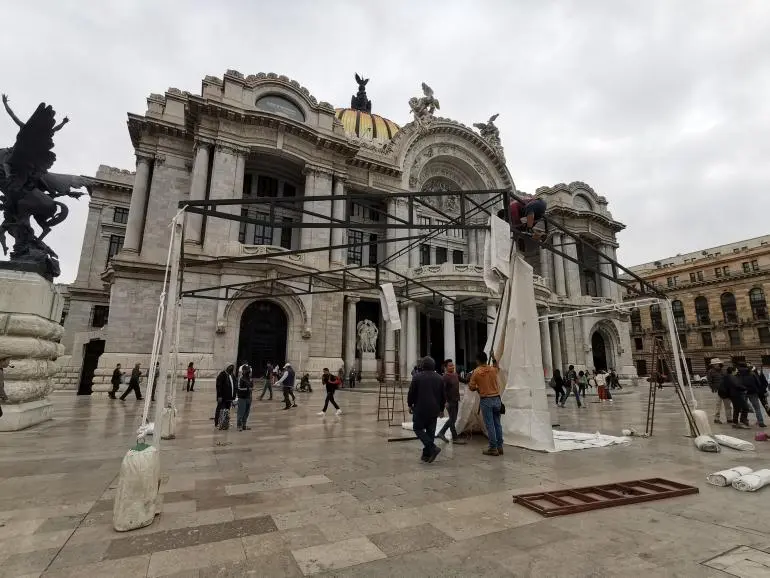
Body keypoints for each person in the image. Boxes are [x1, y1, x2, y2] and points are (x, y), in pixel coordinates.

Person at [407, 356, 445, 463]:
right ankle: (426, 455)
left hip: (420, 408)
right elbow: (443, 396)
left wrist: (410, 404)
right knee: (430, 432)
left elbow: (411, 393)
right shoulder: (439, 378)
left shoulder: (417, 377)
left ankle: (432, 448)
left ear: (423, 366)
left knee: (417, 428)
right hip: (434, 409)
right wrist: (441, 409)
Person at [469, 351, 504, 456]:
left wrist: (477, 388)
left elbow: (471, 387)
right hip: (497, 399)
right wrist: (493, 357)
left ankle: (493, 448)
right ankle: (500, 446)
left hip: (486, 400)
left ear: (478, 360)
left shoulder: (476, 372)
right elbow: (497, 366)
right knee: (497, 424)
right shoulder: (493, 370)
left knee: (490, 425)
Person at [436, 359, 465, 444]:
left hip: (456, 400)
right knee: (452, 419)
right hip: (450, 401)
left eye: (453, 365)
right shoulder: (445, 377)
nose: (452, 367)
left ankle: (443, 433)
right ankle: (451, 436)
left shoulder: (455, 374)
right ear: (445, 367)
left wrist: (471, 375)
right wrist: (445, 402)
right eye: (450, 366)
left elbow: (464, 380)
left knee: (453, 419)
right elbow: (443, 391)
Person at [708, 359, 729, 424]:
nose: (715, 365)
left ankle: (729, 418)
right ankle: (716, 418)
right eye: (714, 364)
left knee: (728, 405)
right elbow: (709, 381)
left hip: (725, 389)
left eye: (716, 364)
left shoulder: (723, 371)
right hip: (717, 390)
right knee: (718, 405)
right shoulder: (710, 371)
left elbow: (727, 379)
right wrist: (712, 388)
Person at [215, 364, 236, 428]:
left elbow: (234, 385)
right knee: (221, 410)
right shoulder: (222, 375)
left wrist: (234, 396)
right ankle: (218, 423)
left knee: (227, 410)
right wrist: (219, 396)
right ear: (226, 367)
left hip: (229, 397)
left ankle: (225, 423)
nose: (231, 368)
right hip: (222, 397)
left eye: (232, 367)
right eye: (230, 367)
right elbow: (219, 386)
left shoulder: (232, 375)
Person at [236, 364, 253, 431]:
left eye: (249, 370)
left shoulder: (250, 379)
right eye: (247, 370)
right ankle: (239, 425)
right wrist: (247, 389)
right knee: (241, 412)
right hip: (242, 398)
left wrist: (250, 389)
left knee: (247, 412)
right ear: (243, 371)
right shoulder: (241, 379)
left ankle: (244, 425)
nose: (248, 371)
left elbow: (251, 387)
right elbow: (239, 389)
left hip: (249, 397)